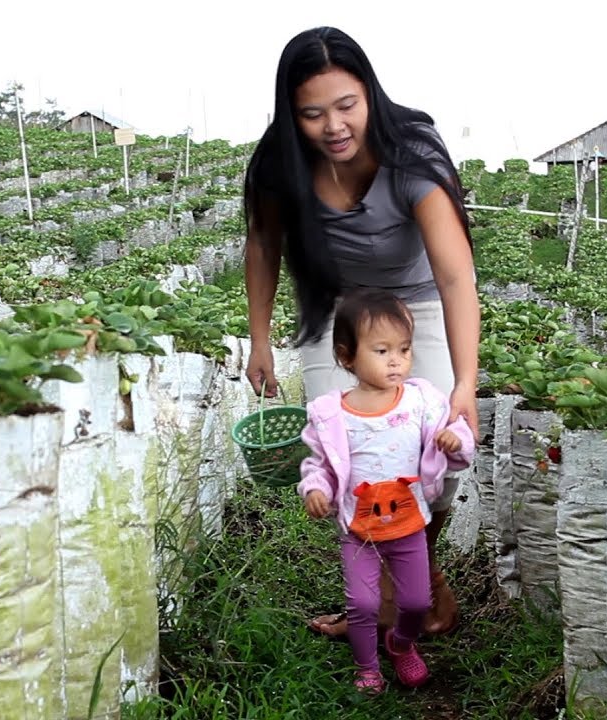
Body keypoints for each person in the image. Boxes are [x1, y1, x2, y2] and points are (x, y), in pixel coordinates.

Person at [241, 25, 481, 639]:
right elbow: (264, 245)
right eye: (313, 113)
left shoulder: (411, 153)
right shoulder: (279, 162)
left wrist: (465, 385)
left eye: (346, 105)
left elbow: (456, 279)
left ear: (369, 94)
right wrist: (260, 339)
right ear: (292, 116)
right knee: (348, 452)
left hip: (419, 305)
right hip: (337, 310)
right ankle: (401, 599)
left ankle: (412, 582)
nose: (334, 126)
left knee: (435, 449)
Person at [298, 288, 475, 693]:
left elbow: (457, 437)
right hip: (358, 529)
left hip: (409, 523)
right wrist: (315, 488)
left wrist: (453, 439)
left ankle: (401, 644)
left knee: (415, 603)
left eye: (404, 349)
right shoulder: (331, 414)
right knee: (363, 604)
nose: (396, 360)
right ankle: (367, 668)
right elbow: (318, 464)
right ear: (347, 357)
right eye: (381, 350)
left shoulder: (421, 401)